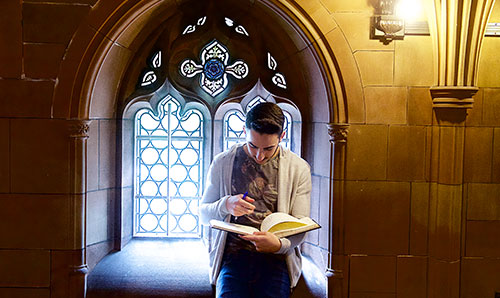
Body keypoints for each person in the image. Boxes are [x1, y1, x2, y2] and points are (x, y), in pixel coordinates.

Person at [200, 102, 312, 298]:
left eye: (268, 148)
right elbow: (203, 214)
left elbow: (302, 226)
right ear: (245, 130)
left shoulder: (298, 168)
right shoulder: (223, 162)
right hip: (233, 256)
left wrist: (278, 245)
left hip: (277, 260)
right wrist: (226, 204)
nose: (259, 156)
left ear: (282, 137)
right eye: (253, 145)